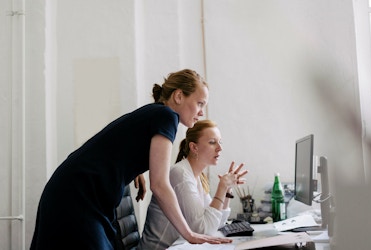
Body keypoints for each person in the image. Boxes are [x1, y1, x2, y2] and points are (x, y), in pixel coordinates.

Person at [30, 69, 233, 250]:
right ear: (179, 96)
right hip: (79, 194)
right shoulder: (167, 116)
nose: (201, 112)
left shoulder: (156, 113)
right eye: (199, 103)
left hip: (76, 189)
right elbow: (160, 185)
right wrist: (190, 234)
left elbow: (120, 144)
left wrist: (136, 170)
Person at [138, 120, 248, 250]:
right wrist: (221, 187)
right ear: (194, 147)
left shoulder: (197, 176)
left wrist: (227, 190)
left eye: (220, 142)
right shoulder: (180, 175)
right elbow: (202, 231)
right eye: (212, 142)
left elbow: (216, 224)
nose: (220, 148)